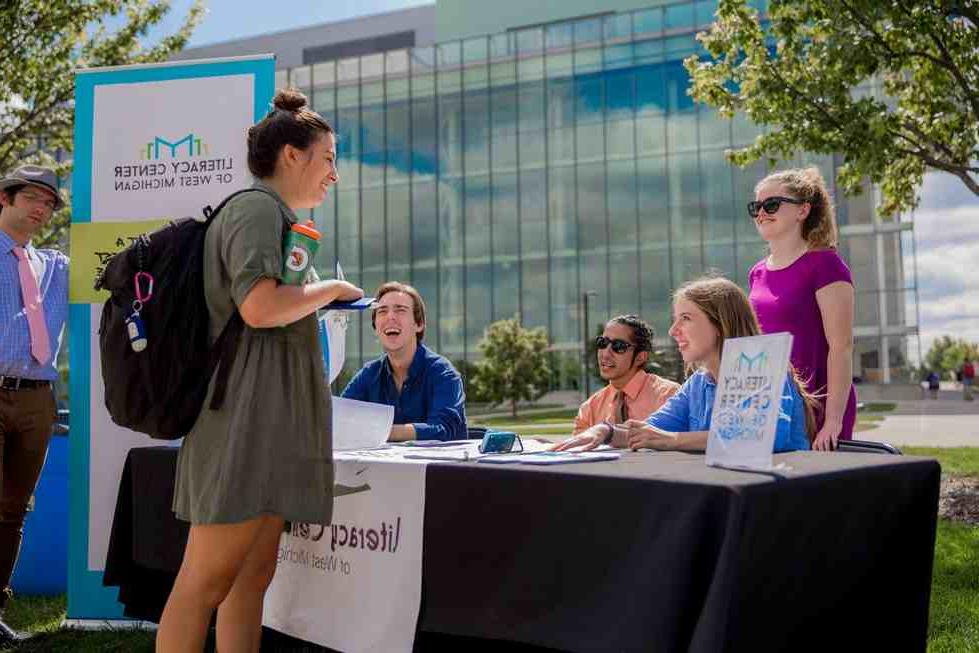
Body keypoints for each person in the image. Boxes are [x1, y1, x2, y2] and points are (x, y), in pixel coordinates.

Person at [157, 89, 364, 653]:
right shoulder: (253, 210)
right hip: (242, 425)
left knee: (250, 582)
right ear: (292, 155)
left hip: (270, 425)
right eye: (328, 159)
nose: (334, 175)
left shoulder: (278, 217)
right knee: (205, 583)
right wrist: (334, 290)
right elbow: (260, 307)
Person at [556, 277, 814, 453]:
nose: (673, 330)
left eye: (686, 319)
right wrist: (605, 430)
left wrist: (673, 440)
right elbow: (649, 430)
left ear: (720, 323)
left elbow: (760, 437)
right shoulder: (698, 384)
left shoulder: (761, 368)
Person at [0, 165, 67, 645]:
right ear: (6, 199)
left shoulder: (57, 266)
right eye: (33, 198)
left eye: (49, 203)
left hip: (37, 399)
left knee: (13, 511)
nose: (41, 209)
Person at [747, 167, 857, 451]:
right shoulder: (756, 273)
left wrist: (833, 420)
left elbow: (841, 347)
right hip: (771, 406)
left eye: (771, 204)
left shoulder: (825, 265)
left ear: (803, 210)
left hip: (818, 407)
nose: (761, 212)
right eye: (756, 206)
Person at [342, 281, 467, 441]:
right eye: (382, 311)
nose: (390, 317)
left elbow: (443, 430)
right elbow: (340, 418)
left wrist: (378, 431)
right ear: (375, 327)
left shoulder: (443, 373)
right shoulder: (369, 374)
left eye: (400, 310)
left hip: (437, 465)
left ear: (419, 324)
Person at [553, 315, 679, 450]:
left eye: (618, 346)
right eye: (602, 343)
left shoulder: (669, 397)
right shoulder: (589, 408)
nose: (605, 354)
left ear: (640, 357)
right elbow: (575, 454)